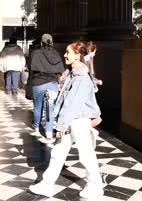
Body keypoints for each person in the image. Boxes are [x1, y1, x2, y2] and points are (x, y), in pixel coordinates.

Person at [29, 41, 104, 199]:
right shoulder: (73, 73)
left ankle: (96, 185)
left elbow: (73, 104)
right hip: (71, 120)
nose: (64, 55)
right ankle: (47, 184)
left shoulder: (81, 76)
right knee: (58, 153)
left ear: (78, 55)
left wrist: (61, 126)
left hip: (78, 120)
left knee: (86, 154)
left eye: (68, 52)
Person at [28, 33, 64, 139]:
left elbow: (30, 67)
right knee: (50, 108)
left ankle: (36, 127)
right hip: (52, 84)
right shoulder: (56, 54)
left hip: (38, 83)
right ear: (52, 43)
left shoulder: (35, 53)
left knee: (38, 107)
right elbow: (59, 72)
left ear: (41, 43)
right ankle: (48, 131)